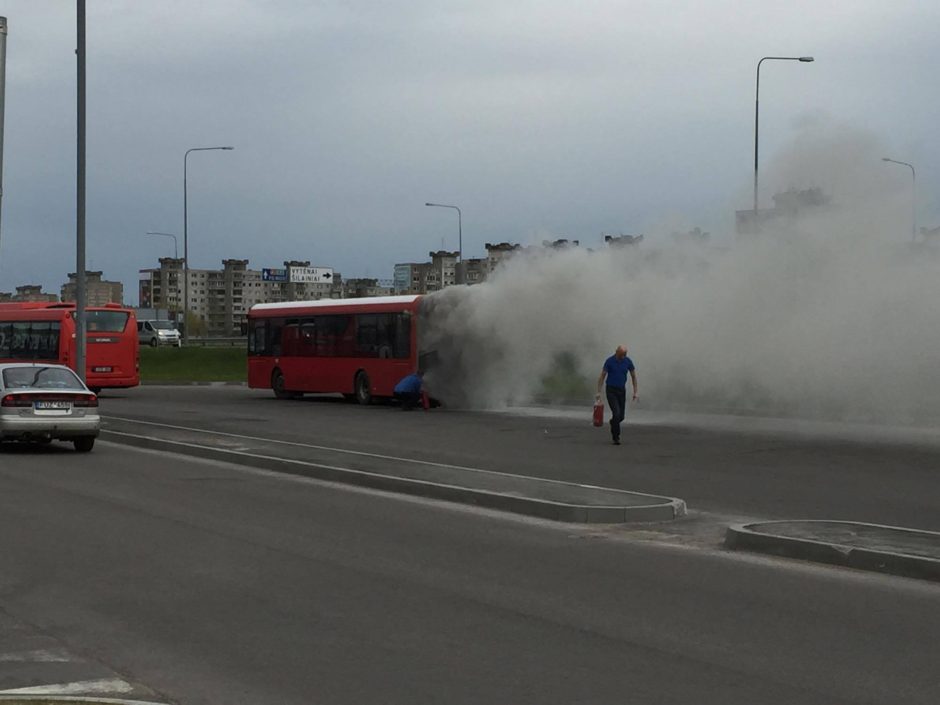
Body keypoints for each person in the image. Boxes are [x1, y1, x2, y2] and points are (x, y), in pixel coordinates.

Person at [596, 345, 638, 445]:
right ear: (616, 352)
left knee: (621, 417)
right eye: (621, 355)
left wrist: (635, 391)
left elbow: (633, 376)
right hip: (611, 390)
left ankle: (613, 422)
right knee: (616, 413)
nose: (623, 357)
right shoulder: (609, 361)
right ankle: (616, 437)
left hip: (621, 390)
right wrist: (598, 392)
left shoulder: (628, 361)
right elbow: (602, 376)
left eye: (625, 355)